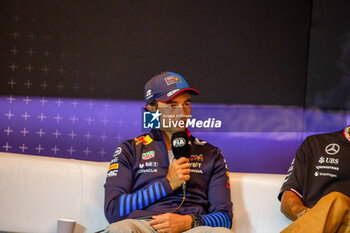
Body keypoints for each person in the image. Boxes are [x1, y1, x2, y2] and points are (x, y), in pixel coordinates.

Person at [104, 71, 233, 233]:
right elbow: (113, 210)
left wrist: (189, 222)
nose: (182, 113)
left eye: (186, 104)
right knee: (119, 230)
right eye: (172, 105)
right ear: (152, 109)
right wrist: (167, 184)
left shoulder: (211, 153)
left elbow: (225, 218)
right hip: (144, 226)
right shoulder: (130, 149)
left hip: (192, 228)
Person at [278, 126, 350, 233]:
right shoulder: (315, 144)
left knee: (337, 200)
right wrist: (311, 217)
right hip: (318, 225)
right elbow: (288, 200)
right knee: (336, 201)